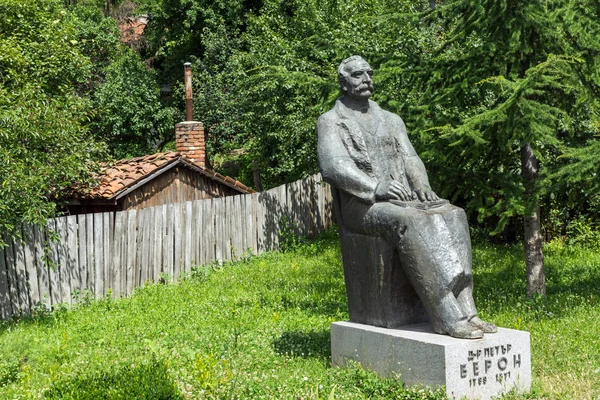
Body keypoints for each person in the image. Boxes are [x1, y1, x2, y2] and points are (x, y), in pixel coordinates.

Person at [317, 55, 497, 339]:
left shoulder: (390, 119)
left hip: (404, 198)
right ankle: (445, 315)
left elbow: (410, 156)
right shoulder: (330, 121)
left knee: (454, 214)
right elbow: (333, 166)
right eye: (357, 75)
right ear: (343, 82)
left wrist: (422, 185)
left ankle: (468, 309)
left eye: (369, 73)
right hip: (362, 206)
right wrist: (376, 187)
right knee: (410, 221)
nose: (366, 79)